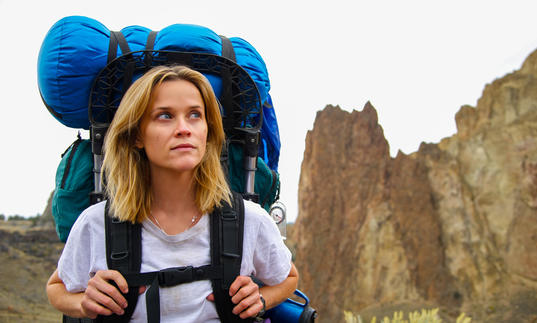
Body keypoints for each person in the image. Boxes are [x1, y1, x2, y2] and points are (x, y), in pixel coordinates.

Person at [46, 65, 298, 322]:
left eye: (195, 115)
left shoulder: (249, 220)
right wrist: (83, 303)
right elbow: (57, 288)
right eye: (164, 116)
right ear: (136, 135)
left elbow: (288, 277)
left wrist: (261, 299)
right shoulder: (96, 223)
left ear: (208, 131)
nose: (184, 128)